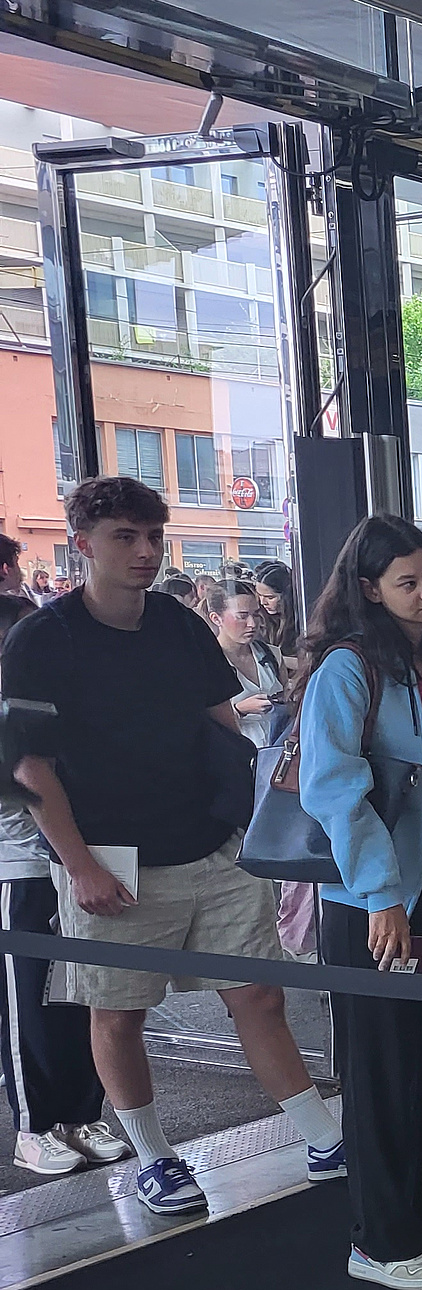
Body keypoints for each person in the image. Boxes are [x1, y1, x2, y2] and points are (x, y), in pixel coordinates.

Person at [2, 476, 341, 1215]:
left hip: (210, 842)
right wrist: (79, 863)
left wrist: (243, 817)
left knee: (257, 993)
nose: (145, 551)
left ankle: (321, 1134)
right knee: (118, 1011)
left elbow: (220, 722)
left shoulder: (178, 624)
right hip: (111, 855)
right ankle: (154, 1156)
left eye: (153, 536)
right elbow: (30, 765)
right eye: (125, 537)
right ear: (83, 544)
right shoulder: (42, 638)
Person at [295, 516, 422, 1290]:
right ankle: (380, 1238)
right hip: (374, 891)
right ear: (370, 589)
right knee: (384, 1066)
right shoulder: (349, 668)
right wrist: (380, 895)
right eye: (406, 582)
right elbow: (334, 791)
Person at [0, 592, 127, 1178]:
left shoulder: (52, 702)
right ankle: (34, 1128)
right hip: (22, 872)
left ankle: (81, 1116)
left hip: (76, 864)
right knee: (28, 1005)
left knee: (84, 995)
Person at [211, 578, 286, 747]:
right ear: (216, 619)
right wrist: (238, 710)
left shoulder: (272, 655)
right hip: (235, 754)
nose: (252, 624)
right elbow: (197, 721)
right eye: (242, 616)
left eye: (256, 614)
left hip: (278, 752)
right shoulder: (206, 662)